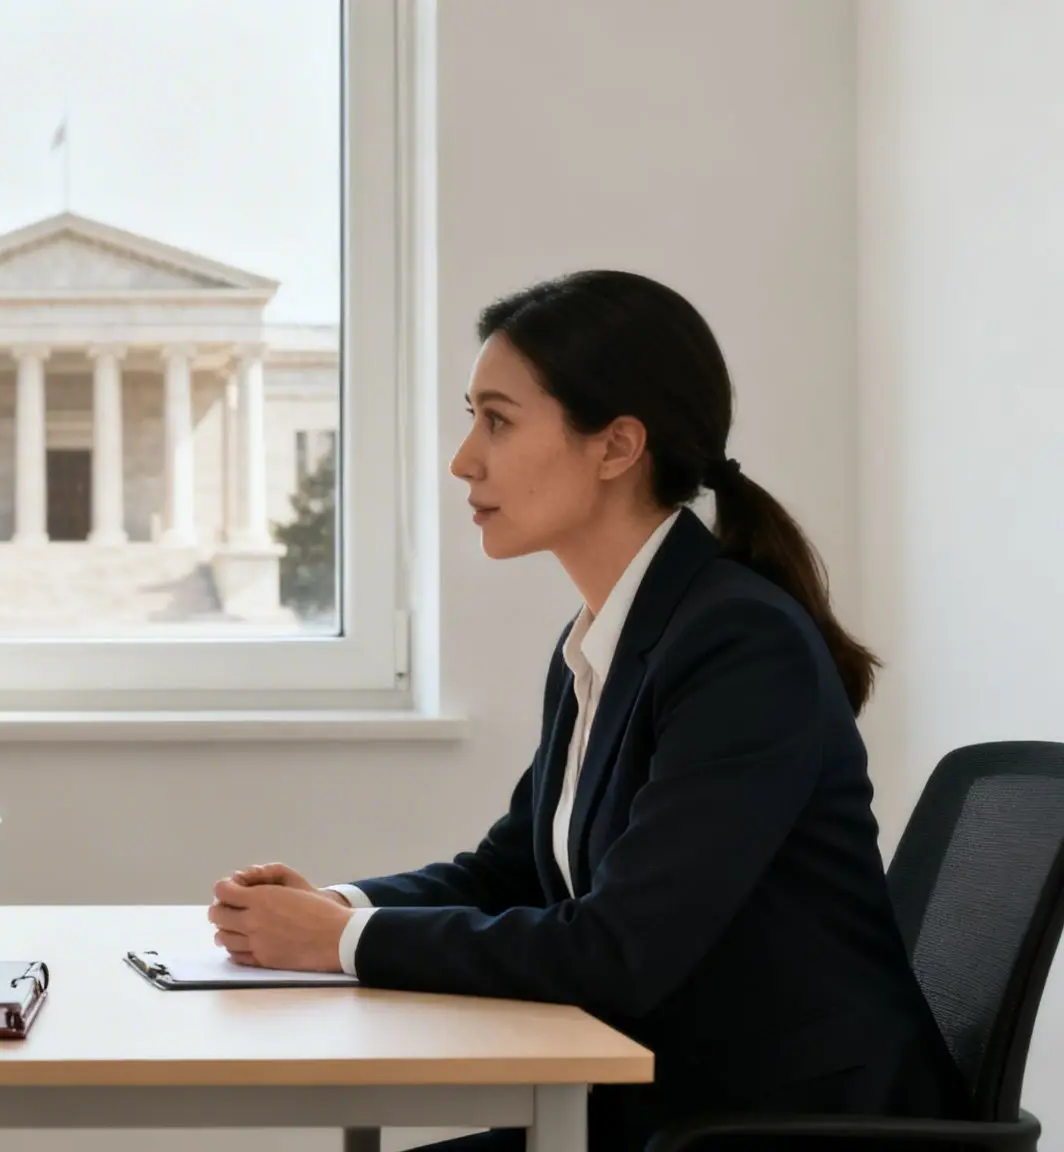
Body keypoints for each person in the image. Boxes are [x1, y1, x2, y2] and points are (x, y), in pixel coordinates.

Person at [206, 271, 966, 1152]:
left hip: (776, 1126)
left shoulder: (739, 647)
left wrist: (344, 941)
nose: (464, 459)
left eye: (498, 420)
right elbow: (512, 873)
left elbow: (616, 951)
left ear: (616, 446)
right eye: (472, 418)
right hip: (663, 1106)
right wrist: (338, 904)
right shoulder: (611, 637)